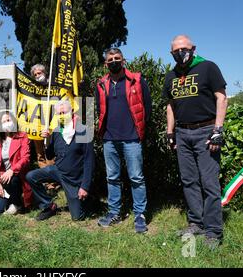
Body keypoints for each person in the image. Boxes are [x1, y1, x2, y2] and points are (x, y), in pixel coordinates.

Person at [163, 35, 228, 248]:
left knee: (209, 183)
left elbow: (221, 98)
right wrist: (170, 133)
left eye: (183, 49)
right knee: (189, 181)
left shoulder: (208, 67)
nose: (180, 53)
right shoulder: (171, 75)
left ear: (193, 48)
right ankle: (196, 223)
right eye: (175, 51)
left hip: (206, 131)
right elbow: (170, 106)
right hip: (182, 133)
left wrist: (218, 130)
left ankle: (213, 231)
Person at [95, 48, 152, 233]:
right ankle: (114, 213)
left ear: (123, 60)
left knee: (136, 177)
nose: (114, 61)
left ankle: (140, 214)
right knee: (112, 178)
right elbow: (98, 110)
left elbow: (147, 108)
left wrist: (141, 130)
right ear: (105, 64)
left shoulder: (136, 80)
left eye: (117, 58)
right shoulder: (101, 84)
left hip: (132, 138)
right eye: (110, 59)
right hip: (109, 139)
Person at [26, 100, 95, 221]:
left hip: (73, 179)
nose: (62, 115)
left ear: (72, 111)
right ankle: (48, 205)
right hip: (57, 171)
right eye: (59, 113)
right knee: (31, 176)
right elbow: (49, 154)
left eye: (64, 112)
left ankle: (86, 199)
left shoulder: (83, 131)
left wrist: (85, 187)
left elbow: (89, 161)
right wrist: (46, 140)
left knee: (77, 217)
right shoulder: (57, 131)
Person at [0, 111, 32, 215]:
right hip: (2, 178)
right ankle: (10, 198)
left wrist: (12, 170)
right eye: (4, 122)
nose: (7, 123)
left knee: (13, 180)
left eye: (9, 120)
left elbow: (26, 158)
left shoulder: (22, 136)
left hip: (18, 176)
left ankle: (17, 204)